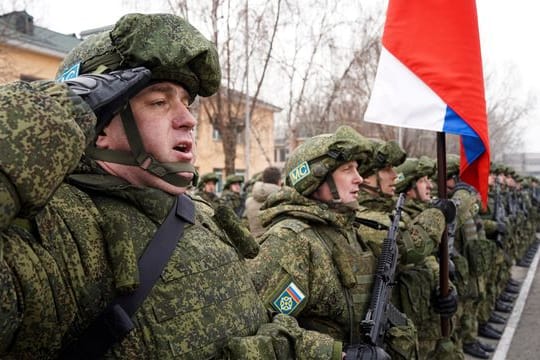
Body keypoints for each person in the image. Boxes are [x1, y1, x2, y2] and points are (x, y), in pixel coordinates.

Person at [0, 13, 338, 359]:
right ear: (98, 127)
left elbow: (250, 322)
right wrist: (45, 110)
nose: (188, 119)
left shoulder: (200, 213)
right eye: (159, 102)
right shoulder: (59, 232)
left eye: (186, 103)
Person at [248, 125, 419, 359]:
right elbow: (259, 332)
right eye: (348, 169)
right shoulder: (291, 241)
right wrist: (337, 354)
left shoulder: (347, 230)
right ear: (316, 178)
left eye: (357, 169)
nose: (359, 179)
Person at [244, 166, 282, 237]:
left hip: (255, 244)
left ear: (263, 179)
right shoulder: (282, 199)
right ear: (279, 181)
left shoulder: (249, 202)